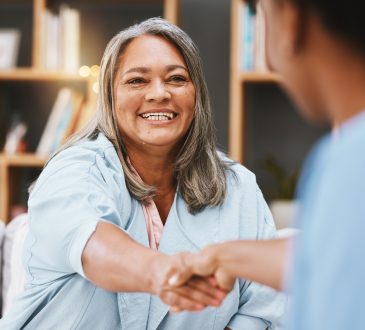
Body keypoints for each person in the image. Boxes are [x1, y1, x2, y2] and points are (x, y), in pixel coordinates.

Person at [0, 18, 285, 329]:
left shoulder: (238, 187)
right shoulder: (73, 170)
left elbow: (261, 310)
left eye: (176, 79)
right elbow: (92, 244)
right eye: (137, 81)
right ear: (110, 96)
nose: (159, 94)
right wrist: (164, 273)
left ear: (196, 94)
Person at [170, 0, 365, 329]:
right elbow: (326, 260)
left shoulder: (348, 164)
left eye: (261, 16)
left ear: (289, 18)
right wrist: (224, 257)